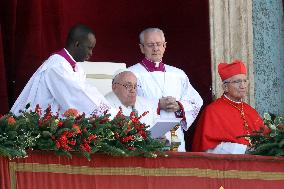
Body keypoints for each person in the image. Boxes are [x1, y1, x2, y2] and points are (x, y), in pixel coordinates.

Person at [11, 24, 116, 117]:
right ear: (77, 44)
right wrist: (109, 115)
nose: (91, 53)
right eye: (89, 48)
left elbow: (89, 91)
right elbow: (76, 98)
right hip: (34, 125)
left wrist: (111, 110)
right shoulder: (57, 66)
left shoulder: (76, 68)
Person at [128, 28, 203, 152]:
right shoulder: (131, 73)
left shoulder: (178, 74)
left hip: (175, 135)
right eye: (150, 45)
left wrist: (179, 106)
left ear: (164, 46)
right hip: (146, 134)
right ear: (141, 48)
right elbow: (124, 104)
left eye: (158, 44)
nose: (155, 48)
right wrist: (157, 104)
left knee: (175, 169)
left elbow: (196, 101)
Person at [191, 60, 264, 154]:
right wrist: (244, 150)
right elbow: (208, 148)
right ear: (225, 87)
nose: (243, 86)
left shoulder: (251, 112)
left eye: (245, 81)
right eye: (237, 81)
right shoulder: (213, 111)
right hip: (228, 166)